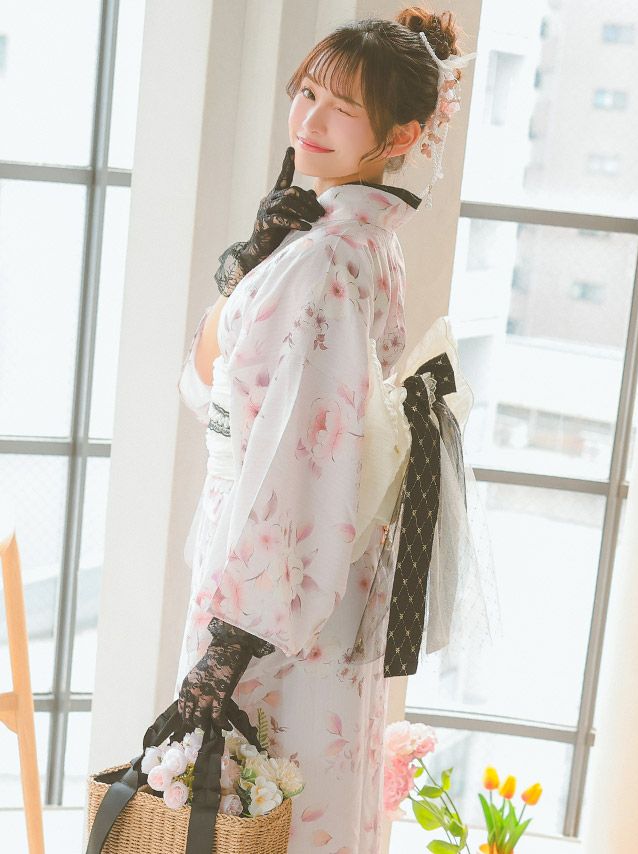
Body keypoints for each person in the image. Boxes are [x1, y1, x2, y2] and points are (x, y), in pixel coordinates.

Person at [174, 8, 474, 852]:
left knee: (248, 800)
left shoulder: (324, 256)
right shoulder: (358, 238)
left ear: (400, 135)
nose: (309, 119)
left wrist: (231, 641)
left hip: (274, 575)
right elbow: (225, 392)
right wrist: (250, 267)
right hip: (312, 561)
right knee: (295, 798)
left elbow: (296, 449)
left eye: (342, 108)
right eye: (306, 92)